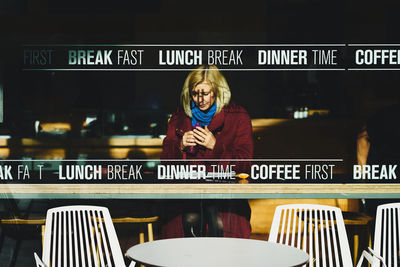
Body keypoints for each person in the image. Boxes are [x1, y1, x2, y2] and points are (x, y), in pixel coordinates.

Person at [160, 65, 253, 238]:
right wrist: (180, 146)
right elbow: (165, 163)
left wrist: (215, 146)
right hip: (187, 195)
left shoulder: (238, 116)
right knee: (190, 220)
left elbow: (245, 164)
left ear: (218, 91)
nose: (200, 99)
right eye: (195, 94)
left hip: (225, 196)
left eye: (206, 93)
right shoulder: (180, 117)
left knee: (218, 224)